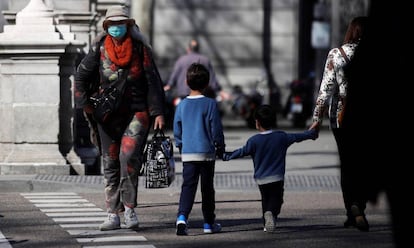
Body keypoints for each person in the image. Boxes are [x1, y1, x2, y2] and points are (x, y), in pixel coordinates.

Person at [74, 5, 165, 231]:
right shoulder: (98, 50)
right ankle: (113, 213)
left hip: (137, 112)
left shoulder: (140, 49)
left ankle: (130, 209)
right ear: (106, 27)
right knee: (110, 163)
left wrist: (158, 112)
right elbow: (81, 77)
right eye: (112, 24)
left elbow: (152, 81)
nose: (116, 28)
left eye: (120, 23)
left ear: (129, 25)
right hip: (107, 117)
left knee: (129, 159)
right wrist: (86, 105)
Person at [309, 16, 369, 232]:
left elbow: (325, 90)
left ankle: (351, 209)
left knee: (347, 162)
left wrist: (316, 120)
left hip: (341, 116)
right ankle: (359, 205)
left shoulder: (337, 54)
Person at [222, 104, 317, 233]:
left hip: (261, 178)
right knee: (277, 199)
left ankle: (266, 223)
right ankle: (271, 214)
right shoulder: (281, 136)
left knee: (265, 199)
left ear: (257, 123)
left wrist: (227, 156)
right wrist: (311, 133)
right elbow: (298, 137)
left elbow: (242, 152)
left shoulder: (253, 140)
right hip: (277, 177)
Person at [173, 63, 225, 236]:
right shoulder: (210, 104)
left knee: (188, 186)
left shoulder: (181, 105)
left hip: (188, 152)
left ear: (187, 82)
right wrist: (220, 146)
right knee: (207, 189)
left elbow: (177, 130)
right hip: (206, 152)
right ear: (207, 83)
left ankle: (182, 218)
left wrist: (180, 145)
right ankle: (209, 223)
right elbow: (216, 129)